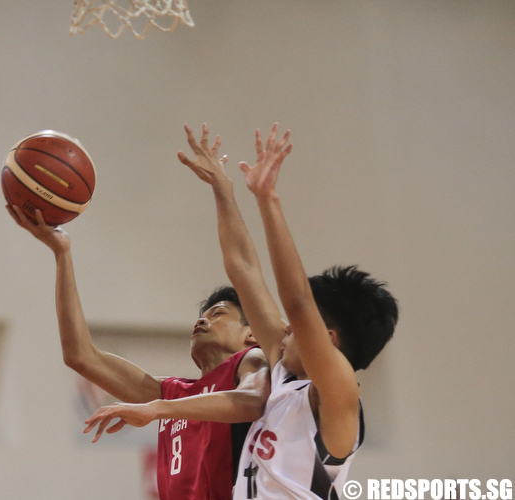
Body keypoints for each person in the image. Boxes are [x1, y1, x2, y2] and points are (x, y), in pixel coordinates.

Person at [84, 123, 399, 500]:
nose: (284, 330)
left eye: (298, 328)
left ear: (328, 340)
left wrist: (269, 200)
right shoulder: (283, 371)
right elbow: (243, 268)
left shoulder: (338, 394)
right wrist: (224, 190)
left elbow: (298, 302)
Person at [6, 149, 285, 500]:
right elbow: (80, 356)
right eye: (202, 314)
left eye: (217, 314)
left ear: (251, 334)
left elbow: (252, 401)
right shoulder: (173, 392)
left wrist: (156, 409)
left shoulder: (253, 361)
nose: (202, 319)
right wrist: (61, 253)